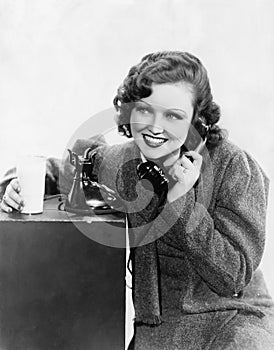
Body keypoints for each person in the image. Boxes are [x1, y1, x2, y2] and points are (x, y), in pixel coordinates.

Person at [1, 51, 274, 349]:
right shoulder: (124, 161)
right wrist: (15, 184)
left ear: (197, 121)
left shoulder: (235, 167)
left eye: (173, 115)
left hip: (232, 325)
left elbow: (232, 277)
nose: (156, 127)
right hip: (157, 336)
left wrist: (182, 204)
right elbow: (66, 166)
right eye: (145, 110)